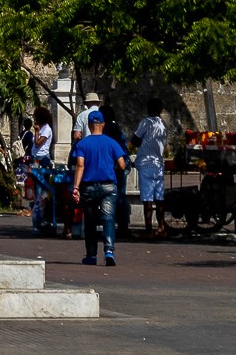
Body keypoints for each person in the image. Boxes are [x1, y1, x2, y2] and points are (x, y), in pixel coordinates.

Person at [70, 109, 127, 266]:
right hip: (108, 185)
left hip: (88, 187)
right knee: (108, 218)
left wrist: (76, 187)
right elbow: (122, 165)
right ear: (103, 124)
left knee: (90, 221)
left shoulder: (82, 144)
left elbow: (80, 164)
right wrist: (110, 169)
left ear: (89, 125)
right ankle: (109, 251)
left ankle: (91, 254)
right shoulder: (111, 143)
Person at [133, 100, 168, 239]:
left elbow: (135, 140)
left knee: (147, 199)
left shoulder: (146, 122)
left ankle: (149, 229)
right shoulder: (163, 124)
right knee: (159, 197)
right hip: (158, 163)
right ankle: (161, 227)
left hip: (146, 162)